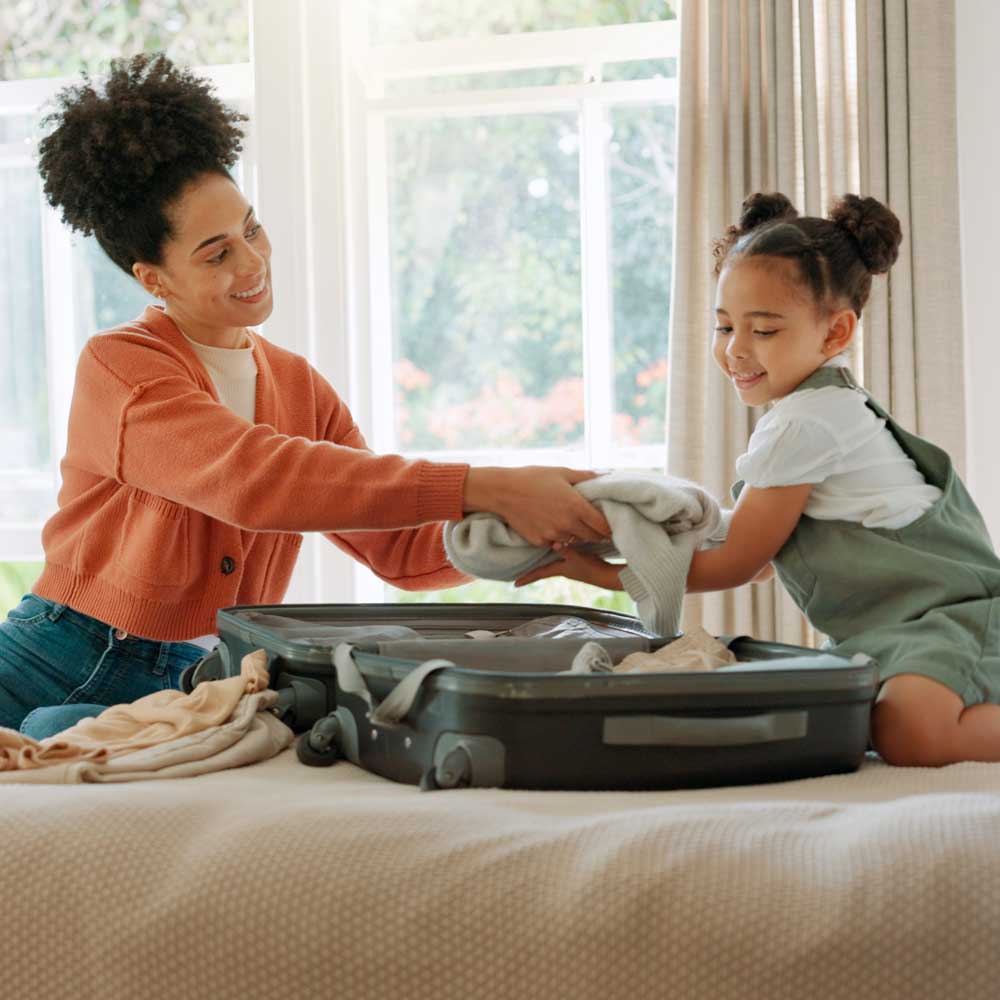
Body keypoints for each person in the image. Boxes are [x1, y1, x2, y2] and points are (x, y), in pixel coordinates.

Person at [0, 53, 611, 740]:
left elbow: (400, 549)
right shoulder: (122, 367)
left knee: (68, 752)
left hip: (197, 682)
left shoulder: (296, 385)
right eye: (216, 253)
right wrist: (486, 485)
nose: (253, 262)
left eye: (251, 230)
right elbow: (252, 479)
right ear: (154, 279)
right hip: (52, 654)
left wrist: (550, 539)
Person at [517, 190, 1000, 767]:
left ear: (834, 334)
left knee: (911, 734)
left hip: (951, 618)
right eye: (724, 327)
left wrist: (604, 575)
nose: (736, 351)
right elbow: (768, 548)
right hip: (888, 632)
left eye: (764, 332)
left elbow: (743, 563)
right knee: (856, 719)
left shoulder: (807, 423)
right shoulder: (821, 410)